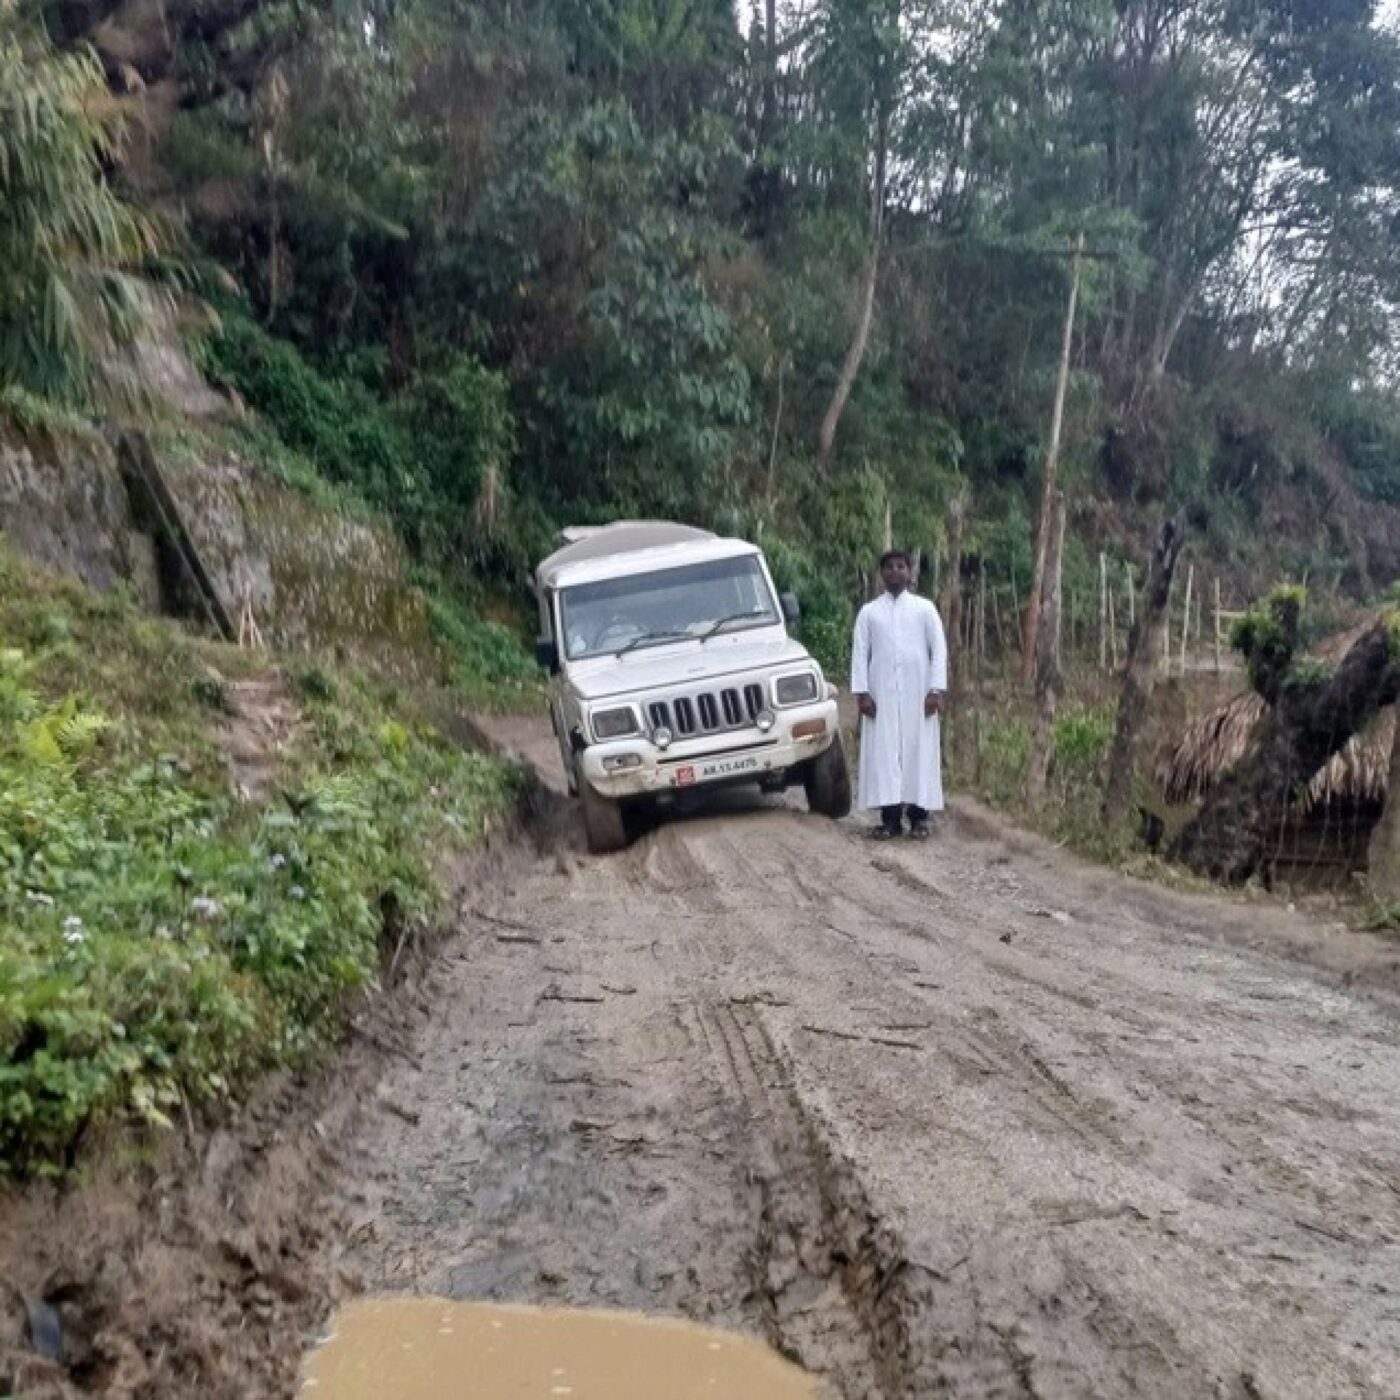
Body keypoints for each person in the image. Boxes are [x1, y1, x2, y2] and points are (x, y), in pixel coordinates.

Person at [850, 550, 948, 840]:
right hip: (881, 698)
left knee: (919, 752)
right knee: (885, 755)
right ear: (882, 574)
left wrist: (935, 690)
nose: (895, 571)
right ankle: (890, 821)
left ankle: (919, 819)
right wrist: (862, 694)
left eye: (901, 566)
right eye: (889, 567)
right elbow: (860, 654)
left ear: (910, 572)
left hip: (919, 696)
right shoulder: (869, 613)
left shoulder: (925, 609)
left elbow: (939, 650)